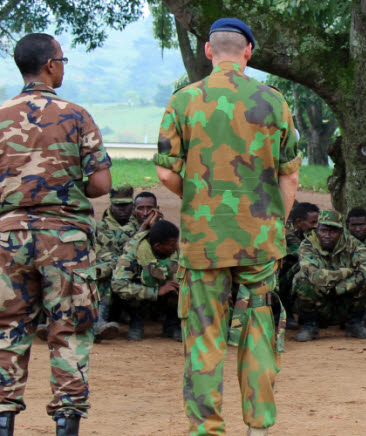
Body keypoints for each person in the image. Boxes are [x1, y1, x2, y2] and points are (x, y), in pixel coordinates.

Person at [154, 18, 301, 436]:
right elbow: (290, 175)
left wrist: (202, 203)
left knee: (203, 338)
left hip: (203, 243)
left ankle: (207, 430)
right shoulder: (275, 101)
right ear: (248, 52)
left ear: (207, 51)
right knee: (257, 330)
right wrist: (273, 223)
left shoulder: (183, 100)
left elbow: (165, 174)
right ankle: (258, 427)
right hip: (259, 241)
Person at [0, 32, 112, 435]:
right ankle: (67, 424)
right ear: (50, 64)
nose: (63, 66)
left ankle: (4, 421)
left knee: (7, 333)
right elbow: (100, 184)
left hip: (7, 240)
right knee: (70, 332)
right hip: (65, 240)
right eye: (62, 59)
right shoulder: (76, 115)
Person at [292, 210, 366, 341]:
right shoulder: (308, 245)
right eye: (323, 231)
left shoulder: (353, 244)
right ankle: (310, 326)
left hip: (344, 298)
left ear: (341, 232)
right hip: (319, 300)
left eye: (333, 231)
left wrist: (342, 287)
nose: (327, 235)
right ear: (317, 230)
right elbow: (314, 275)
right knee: (302, 278)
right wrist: (347, 272)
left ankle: (355, 324)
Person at [111, 220, 182, 341]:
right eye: (171, 244)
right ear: (157, 246)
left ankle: (172, 324)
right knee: (130, 291)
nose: (176, 247)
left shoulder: (174, 252)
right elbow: (118, 286)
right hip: (141, 299)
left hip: (166, 298)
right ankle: (136, 322)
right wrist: (155, 291)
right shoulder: (131, 257)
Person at [91, 184, 135, 341]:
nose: (122, 209)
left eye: (126, 205)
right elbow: (109, 258)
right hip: (113, 273)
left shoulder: (139, 223)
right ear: (111, 204)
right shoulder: (103, 227)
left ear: (132, 205)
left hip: (134, 273)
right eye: (118, 205)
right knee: (105, 278)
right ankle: (99, 321)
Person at [279, 202, 319, 329]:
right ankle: (285, 312)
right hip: (280, 279)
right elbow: (302, 255)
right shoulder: (288, 234)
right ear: (299, 222)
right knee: (299, 267)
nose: (316, 226)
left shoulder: (311, 234)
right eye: (313, 222)